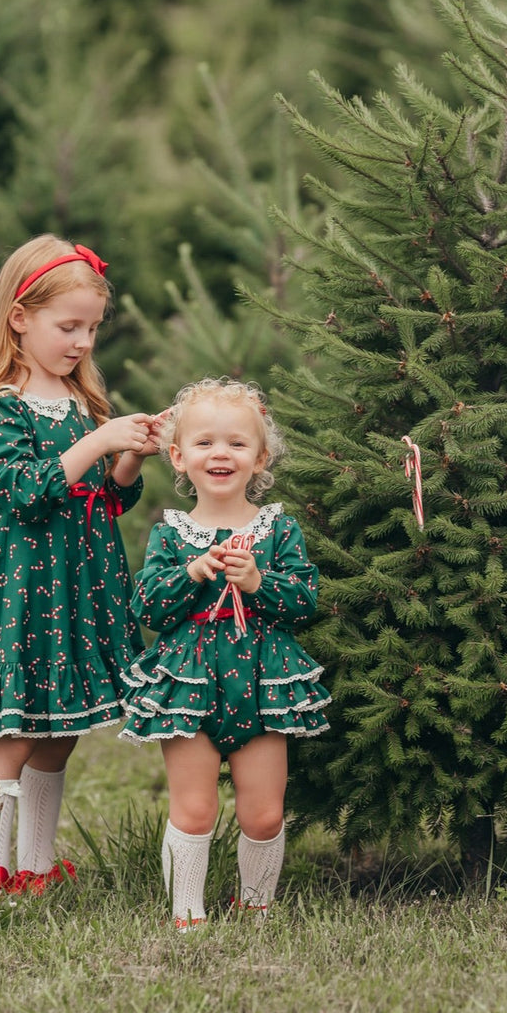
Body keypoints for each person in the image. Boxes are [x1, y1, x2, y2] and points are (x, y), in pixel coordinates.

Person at [0, 235, 159, 892]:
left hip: (83, 583)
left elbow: (109, 499)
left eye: (91, 328)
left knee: (61, 733)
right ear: (20, 319)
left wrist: (133, 450)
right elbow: (23, 492)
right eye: (69, 327)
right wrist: (98, 440)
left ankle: (33, 866)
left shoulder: (82, 401)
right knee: (16, 732)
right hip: (30, 586)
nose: (83, 342)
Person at [121, 378, 330, 929]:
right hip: (189, 682)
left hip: (263, 680)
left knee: (263, 813)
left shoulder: (277, 529)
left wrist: (258, 581)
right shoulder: (173, 534)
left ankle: (256, 905)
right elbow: (147, 607)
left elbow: (305, 601)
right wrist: (192, 573)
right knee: (195, 809)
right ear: (179, 456)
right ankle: (187, 913)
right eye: (205, 442)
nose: (221, 453)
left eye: (237, 443)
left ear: (260, 458)